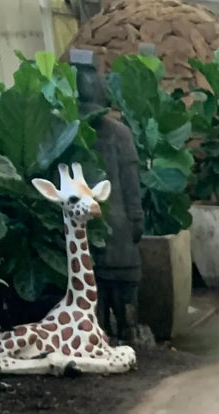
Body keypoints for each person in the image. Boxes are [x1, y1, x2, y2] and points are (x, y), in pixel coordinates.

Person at [73, 52, 143, 344]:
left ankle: (100, 344)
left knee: (94, 310)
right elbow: (131, 186)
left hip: (84, 238)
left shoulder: (65, 131)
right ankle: (129, 339)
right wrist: (136, 220)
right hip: (120, 235)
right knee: (126, 307)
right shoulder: (120, 134)